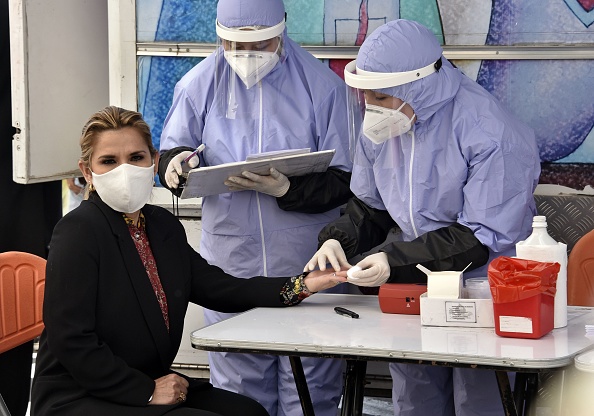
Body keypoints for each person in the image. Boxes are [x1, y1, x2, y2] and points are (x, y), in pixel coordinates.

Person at [30, 106, 347, 416]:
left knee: (248, 411)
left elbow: (222, 288)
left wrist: (302, 285)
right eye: (109, 161)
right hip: (81, 394)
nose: (124, 170)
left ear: (154, 163)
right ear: (88, 172)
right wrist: (147, 391)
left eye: (136, 158)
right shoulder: (77, 231)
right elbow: (71, 340)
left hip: (144, 383)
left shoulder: (160, 225)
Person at [305, 20, 541, 416]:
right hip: (414, 288)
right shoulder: (384, 124)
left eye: (381, 97)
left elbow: (480, 238)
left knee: (479, 399)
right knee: (416, 399)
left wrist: (392, 260)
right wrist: (339, 238)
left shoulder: (491, 132)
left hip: (483, 289)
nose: (372, 108)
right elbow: (370, 206)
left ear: (416, 86)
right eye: (367, 97)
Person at [158, 0, 353, 415]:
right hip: (232, 268)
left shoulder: (323, 86)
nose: (244, 54)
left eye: (258, 44)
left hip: (307, 264)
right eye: (232, 43)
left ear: (281, 31)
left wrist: (288, 189)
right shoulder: (199, 84)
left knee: (311, 390)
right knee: (238, 393)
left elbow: (347, 180)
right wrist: (172, 165)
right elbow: (173, 150)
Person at [0, 1, 62, 415]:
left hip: (21, 175)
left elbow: (58, 70)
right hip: (21, 177)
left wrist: (68, 149)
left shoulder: (29, 11)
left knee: (17, 310)